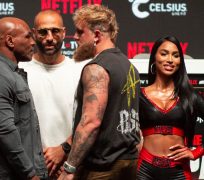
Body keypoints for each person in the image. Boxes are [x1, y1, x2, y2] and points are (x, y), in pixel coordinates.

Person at [58, 4, 141, 180]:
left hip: (103, 167)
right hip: (129, 163)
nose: (75, 37)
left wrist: (69, 168)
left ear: (96, 35)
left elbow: (91, 122)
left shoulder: (96, 68)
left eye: (80, 32)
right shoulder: (129, 66)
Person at [18, 9, 89, 178]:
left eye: (55, 31)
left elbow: (90, 119)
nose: (49, 38)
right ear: (34, 34)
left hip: (70, 169)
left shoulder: (80, 70)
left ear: (64, 33)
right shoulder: (19, 71)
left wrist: (64, 150)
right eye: (43, 32)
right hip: (30, 169)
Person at [0, 17, 48, 180]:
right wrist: (30, 174)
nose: (33, 42)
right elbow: (5, 132)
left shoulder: (10, 74)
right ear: (10, 40)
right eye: (28, 36)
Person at [137, 36, 204, 180]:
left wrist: (196, 152)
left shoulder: (190, 96)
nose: (170, 59)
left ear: (180, 62)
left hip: (179, 170)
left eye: (176, 55)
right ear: (154, 58)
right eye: (164, 53)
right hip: (144, 170)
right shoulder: (139, 95)